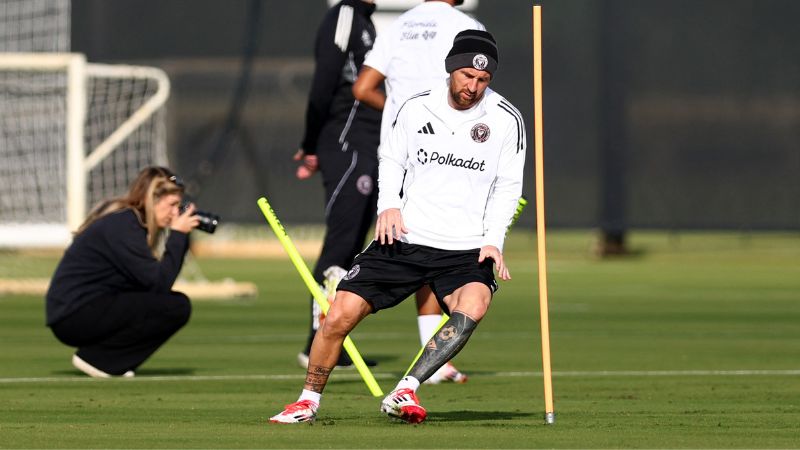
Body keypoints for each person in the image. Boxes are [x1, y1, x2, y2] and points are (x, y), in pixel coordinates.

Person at [271, 29, 526, 424]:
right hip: (405, 239)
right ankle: (307, 401)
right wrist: (388, 206)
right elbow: (390, 158)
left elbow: (509, 186)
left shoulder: (507, 119)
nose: (473, 87)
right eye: (466, 77)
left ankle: (406, 388)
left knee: (475, 303)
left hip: (464, 248)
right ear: (450, 69)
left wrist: (494, 240)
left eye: (482, 80)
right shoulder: (414, 106)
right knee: (338, 314)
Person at [352, 0, 484, 384]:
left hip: (396, 152)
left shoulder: (398, 25)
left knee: (419, 245)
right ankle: (437, 356)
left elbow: (362, 87)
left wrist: (397, 111)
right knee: (437, 248)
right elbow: (474, 90)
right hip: (442, 152)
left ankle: (433, 355)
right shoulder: (464, 23)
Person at [292, 0, 382, 369]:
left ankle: (330, 338)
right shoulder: (344, 16)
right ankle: (317, 341)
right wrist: (310, 144)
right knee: (340, 244)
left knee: (352, 248)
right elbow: (323, 84)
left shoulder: (365, 22)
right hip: (345, 143)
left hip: (365, 145)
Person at [45, 166, 199, 378]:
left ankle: (104, 359)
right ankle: (101, 361)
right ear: (151, 200)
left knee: (168, 303)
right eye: (172, 205)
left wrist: (182, 236)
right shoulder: (125, 226)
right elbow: (160, 283)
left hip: (79, 309)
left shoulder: (127, 222)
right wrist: (179, 235)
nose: (175, 213)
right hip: (74, 314)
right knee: (176, 306)